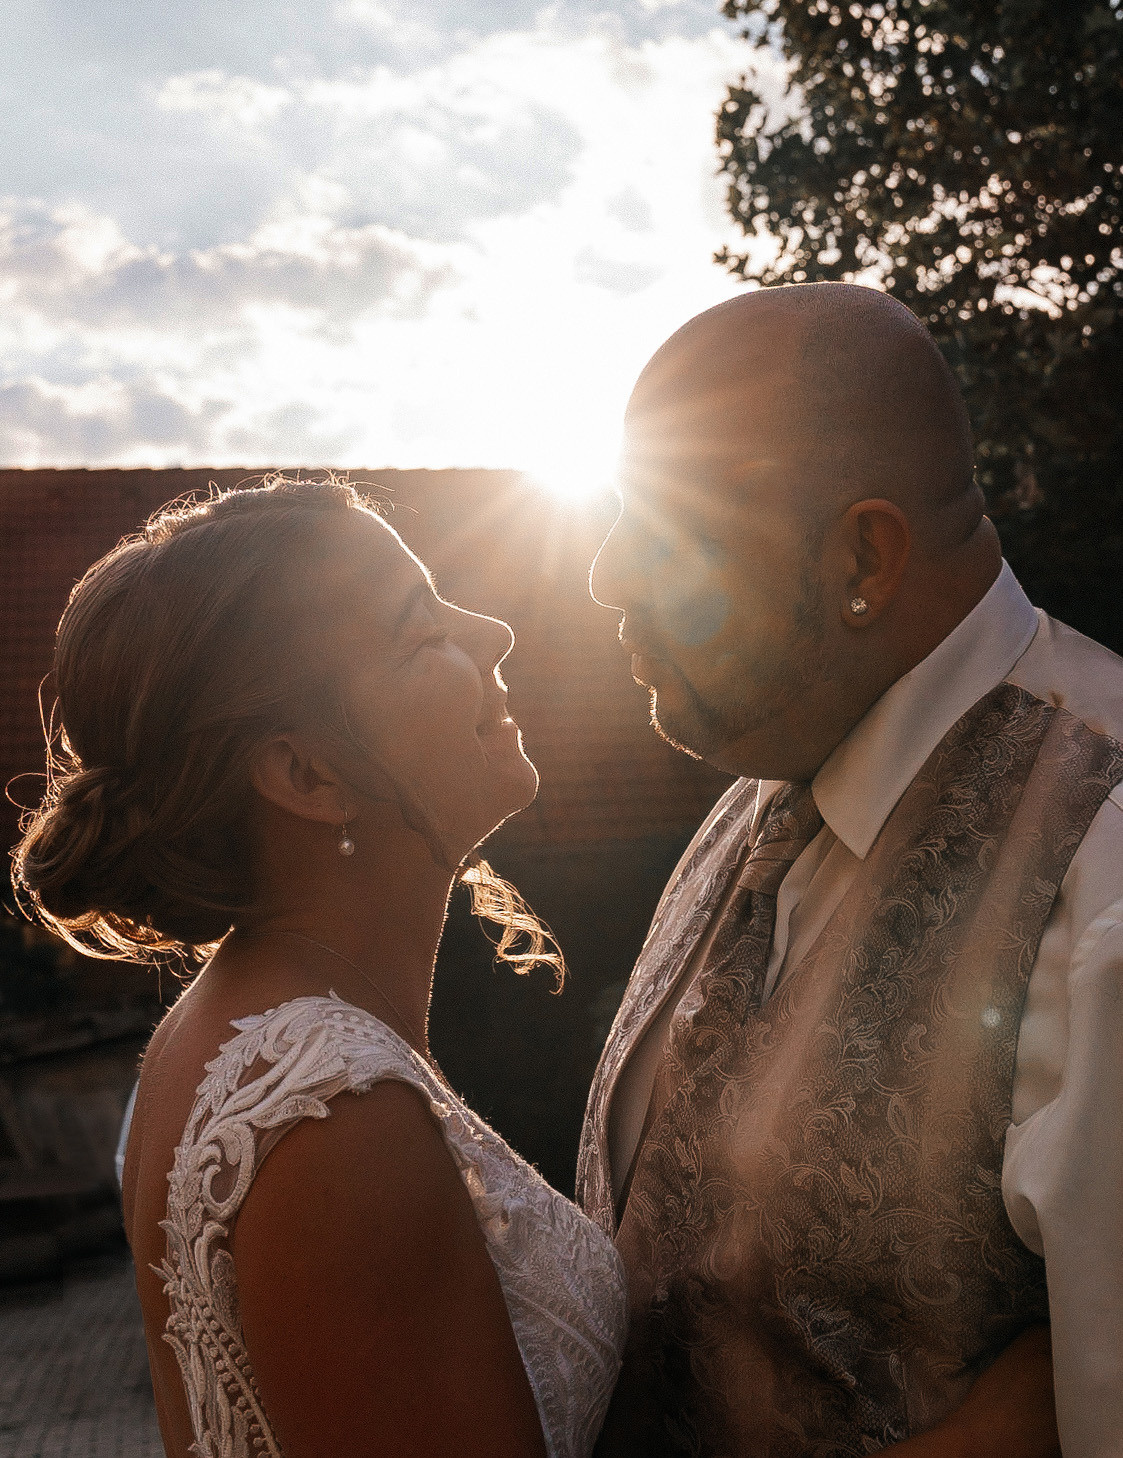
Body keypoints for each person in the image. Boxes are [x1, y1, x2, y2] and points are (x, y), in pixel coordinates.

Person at [578, 283, 1122, 1457]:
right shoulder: (757, 788)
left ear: (861, 556)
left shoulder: (1104, 849)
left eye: (663, 531)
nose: (605, 577)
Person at [12, 478, 627, 1458]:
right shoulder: (334, 1118)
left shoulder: (231, 1031)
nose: (494, 634)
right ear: (308, 774)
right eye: (423, 632)